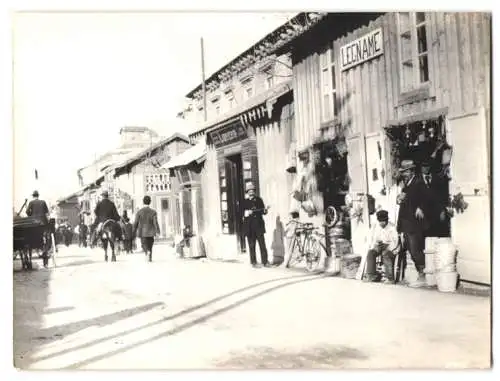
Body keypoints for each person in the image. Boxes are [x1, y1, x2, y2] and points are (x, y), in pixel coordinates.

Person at [396, 160, 431, 287]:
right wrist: (399, 199)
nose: (404, 174)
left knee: (416, 248)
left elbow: (427, 198)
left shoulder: (419, 183)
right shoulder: (407, 184)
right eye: (403, 172)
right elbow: (405, 199)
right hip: (406, 222)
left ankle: (423, 275)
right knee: (410, 248)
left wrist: (421, 207)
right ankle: (420, 273)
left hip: (414, 222)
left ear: (411, 171)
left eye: (405, 172)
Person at [364, 210, 400, 283]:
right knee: (371, 253)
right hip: (381, 245)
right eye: (380, 221)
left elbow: (395, 242)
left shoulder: (392, 227)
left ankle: (390, 278)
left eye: (383, 221)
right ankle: (371, 275)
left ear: (387, 220)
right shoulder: (377, 226)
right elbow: (374, 238)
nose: (382, 223)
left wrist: (388, 248)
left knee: (385, 254)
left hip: (391, 247)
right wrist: (375, 244)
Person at [242, 182, 270, 268]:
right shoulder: (245, 202)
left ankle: (265, 262)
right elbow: (242, 213)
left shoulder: (259, 200)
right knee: (251, 245)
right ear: (247, 192)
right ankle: (253, 262)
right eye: (249, 190)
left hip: (259, 226)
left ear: (254, 191)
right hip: (249, 227)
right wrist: (246, 213)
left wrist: (265, 211)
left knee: (262, 244)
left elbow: (263, 211)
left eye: (252, 190)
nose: (251, 192)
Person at [420, 161, 449, 237]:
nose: (425, 168)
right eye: (423, 166)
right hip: (422, 215)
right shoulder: (417, 180)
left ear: (430, 166)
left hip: (436, 215)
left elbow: (442, 196)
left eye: (427, 166)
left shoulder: (437, 179)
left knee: (436, 236)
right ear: (420, 167)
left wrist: (442, 210)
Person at [133, 195, 160, 262]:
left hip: (142, 232)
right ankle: (150, 258)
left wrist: (134, 230)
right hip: (151, 231)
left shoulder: (139, 212)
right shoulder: (153, 212)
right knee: (150, 244)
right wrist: (158, 231)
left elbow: (136, 222)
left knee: (143, 244)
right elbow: (155, 222)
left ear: (143, 202)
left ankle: (146, 252)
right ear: (150, 202)